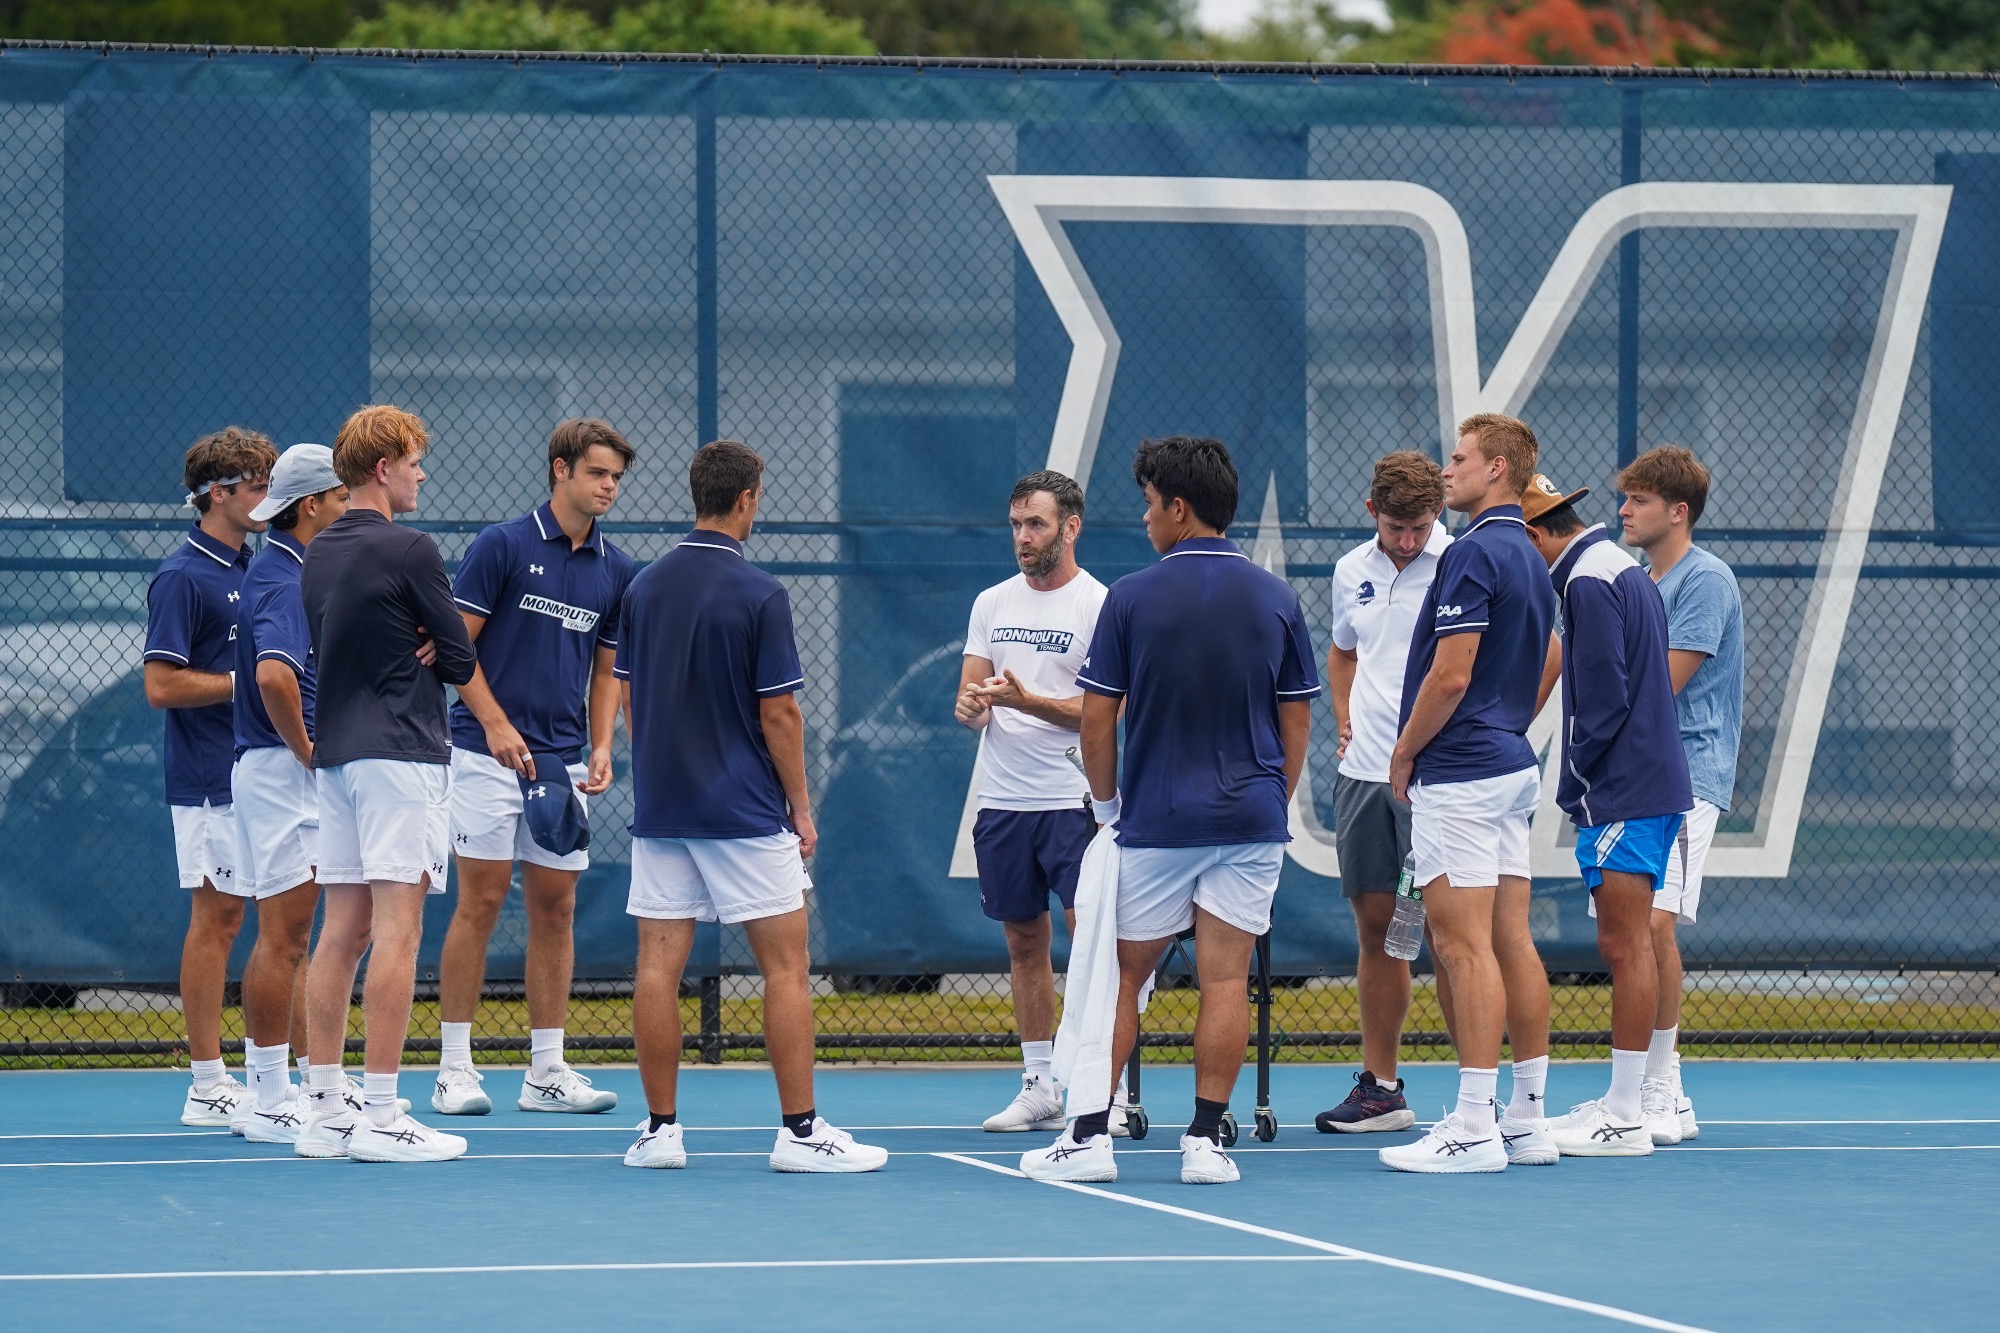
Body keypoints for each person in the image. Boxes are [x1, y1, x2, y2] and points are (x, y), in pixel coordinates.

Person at [1021, 436, 1319, 1187]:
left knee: (1121, 979)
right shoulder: (1277, 597)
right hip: (1249, 821)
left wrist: (1107, 805)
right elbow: (1297, 726)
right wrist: (1268, 802)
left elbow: (1096, 721)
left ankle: (1089, 1139)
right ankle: (1204, 1141)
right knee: (1227, 980)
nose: (1147, 519)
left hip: (1155, 822)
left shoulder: (1131, 597)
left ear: (1179, 509)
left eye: (1152, 505)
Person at [619, 440, 886, 1173]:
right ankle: (800, 1133)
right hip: (744, 809)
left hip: (664, 809)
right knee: (785, 968)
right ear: (747, 500)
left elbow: (631, 698)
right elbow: (781, 716)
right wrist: (801, 806)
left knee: (656, 968)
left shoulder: (642, 587)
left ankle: (660, 1131)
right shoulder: (761, 591)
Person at [432, 420, 637, 1118]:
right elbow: (457, 650)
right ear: (561, 469)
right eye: (598, 473)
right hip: (484, 753)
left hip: (562, 760)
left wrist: (601, 742)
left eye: (616, 477)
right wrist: (493, 724)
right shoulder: (502, 545)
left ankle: (546, 1069)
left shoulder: (618, 568)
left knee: (557, 908)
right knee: (481, 902)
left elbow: (608, 668)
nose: (609, 486)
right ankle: (454, 1068)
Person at [296, 405, 477, 1163]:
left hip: (336, 758)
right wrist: (438, 642)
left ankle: (324, 1108)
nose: (421, 472)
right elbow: (463, 660)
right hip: (402, 754)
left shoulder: (316, 554)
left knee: (341, 932)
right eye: (412, 461)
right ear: (382, 469)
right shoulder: (412, 549)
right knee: (397, 930)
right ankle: (379, 1114)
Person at [1379, 414, 1559, 1176]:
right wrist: (1508, 722)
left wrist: (1404, 750)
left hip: (1461, 774)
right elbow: (1550, 652)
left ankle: (1477, 1125)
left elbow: (1451, 675)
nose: (1446, 470)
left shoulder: (1476, 552)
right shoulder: (1529, 552)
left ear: (1499, 468)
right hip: (1507, 768)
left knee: (1461, 946)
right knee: (1510, 938)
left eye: (1459, 459)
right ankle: (1526, 1120)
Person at [1522, 474, 1692, 1157]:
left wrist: (1578, 781)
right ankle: (1623, 1101)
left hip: (1623, 788)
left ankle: (1624, 1112)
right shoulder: (1616, 567)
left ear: (1538, 533)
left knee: (1626, 947)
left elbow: (1601, 698)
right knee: (1633, 945)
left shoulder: (1586, 581)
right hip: (1643, 784)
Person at [954, 470, 1108, 1133]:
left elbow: (1096, 714)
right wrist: (973, 707)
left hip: (1074, 801)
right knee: (1024, 943)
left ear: (1069, 527)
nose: (1023, 536)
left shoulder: (1100, 605)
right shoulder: (992, 602)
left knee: (1089, 938)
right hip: (1004, 802)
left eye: (1036, 523)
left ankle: (1093, 1079)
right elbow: (971, 694)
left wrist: (1028, 700)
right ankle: (1040, 1082)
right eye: (1016, 523)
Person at [145, 427, 277, 1127]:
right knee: (218, 917)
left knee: (279, 918)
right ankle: (205, 1081)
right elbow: (161, 686)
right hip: (206, 777)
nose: (269, 497)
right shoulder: (182, 575)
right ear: (219, 493)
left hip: (260, 772)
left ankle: (275, 1074)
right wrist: (243, 687)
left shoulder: (256, 568)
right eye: (259, 486)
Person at [1315, 451, 1448, 1135]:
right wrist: (1343, 714)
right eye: (1397, 527)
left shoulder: (1461, 562)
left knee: (1455, 937)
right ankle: (1384, 1088)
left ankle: (1483, 1098)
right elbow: (1342, 651)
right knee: (1381, 936)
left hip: (1438, 785)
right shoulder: (1350, 572)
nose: (1408, 540)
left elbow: (1540, 653)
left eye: (1421, 527)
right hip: (1364, 778)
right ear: (1373, 514)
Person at [1618, 446, 1742, 1146]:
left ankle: (1659, 1085)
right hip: (1642, 775)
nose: (1624, 510)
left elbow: (1659, 686)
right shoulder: (1637, 579)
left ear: (1677, 510)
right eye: (1625, 498)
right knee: (1639, 927)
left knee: (1655, 926)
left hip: (1689, 771)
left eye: (1637, 500)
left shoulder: (1707, 581)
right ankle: (1661, 1088)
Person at [228, 444, 350, 1143]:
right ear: (312, 506)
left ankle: (298, 1079)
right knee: (284, 937)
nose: (347, 508)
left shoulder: (285, 567)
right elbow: (275, 677)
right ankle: (269, 1094)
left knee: (295, 937)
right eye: (340, 497)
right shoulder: (283, 581)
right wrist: (307, 750)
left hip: (276, 769)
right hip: (281, 770)